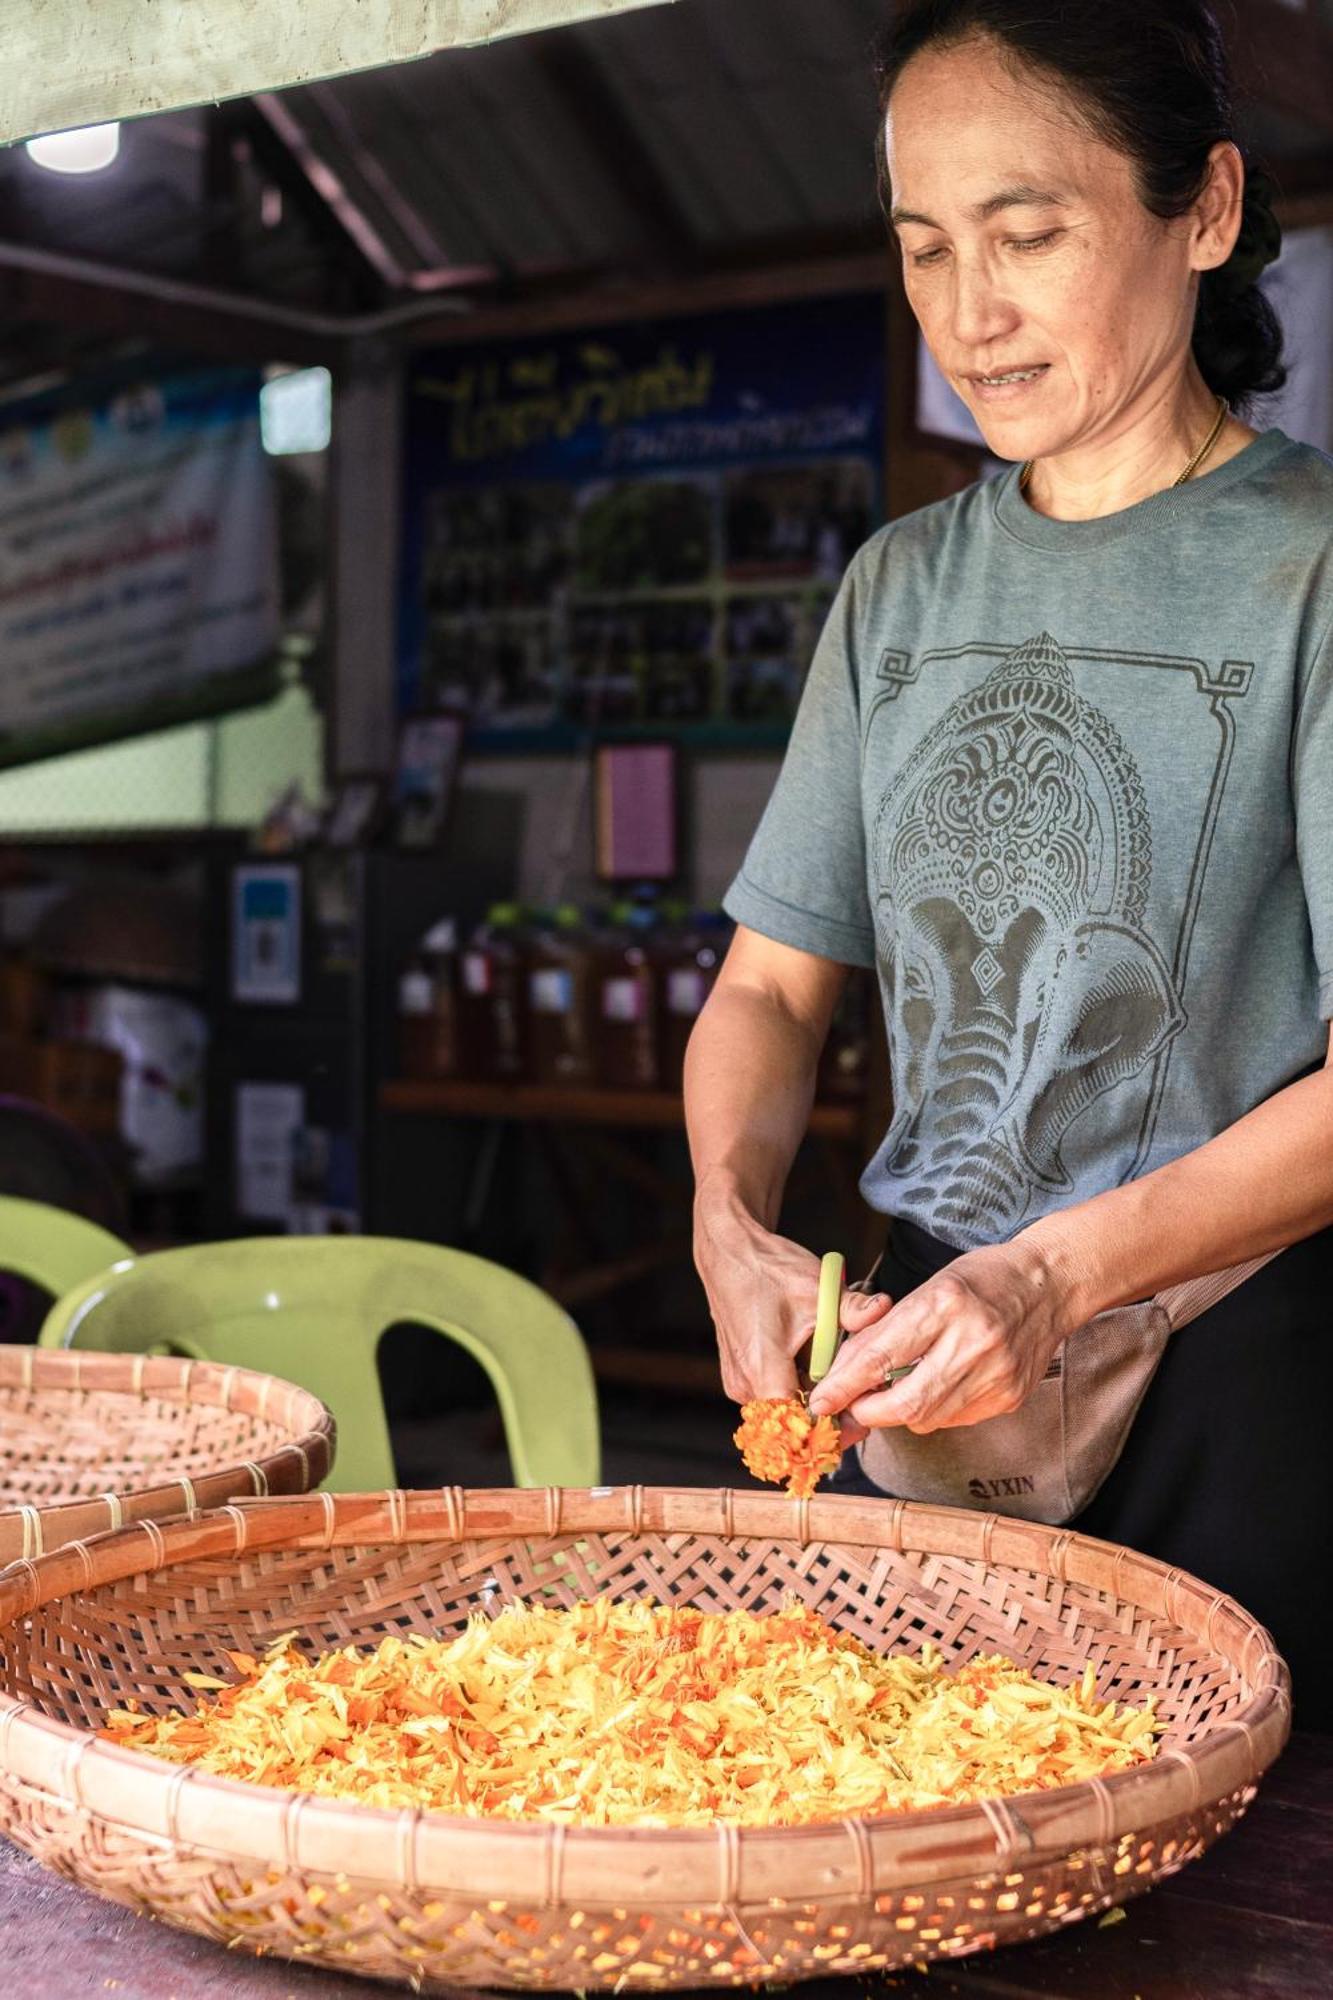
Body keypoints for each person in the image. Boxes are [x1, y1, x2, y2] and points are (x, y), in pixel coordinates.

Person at [683, 0, 1333, 1727]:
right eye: (924, 249)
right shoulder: (899, 591)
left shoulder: (1309, 573)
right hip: (920, 1339)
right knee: (884, 1817)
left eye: (1027, 234)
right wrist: (723, 1217)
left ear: (1199, 208)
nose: (969, 313)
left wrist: (1054, 1275)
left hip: (1239, 1366)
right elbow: (767, 980)